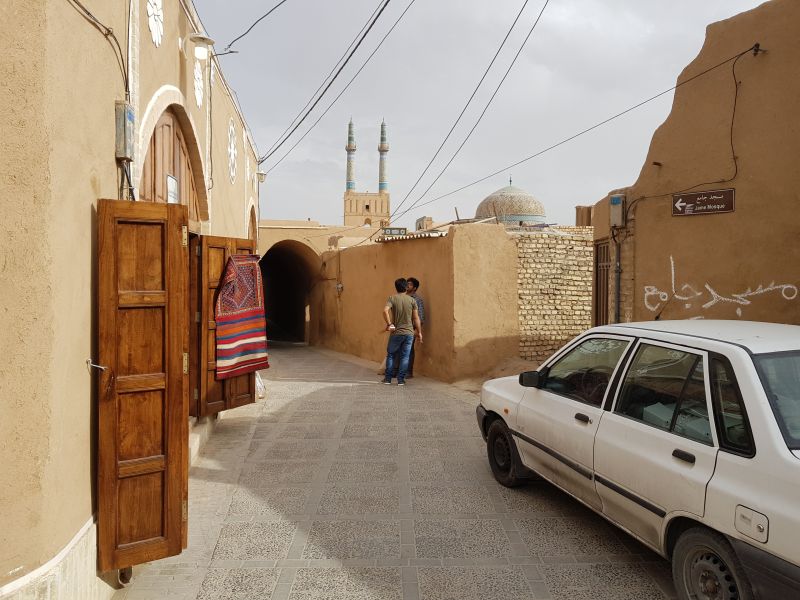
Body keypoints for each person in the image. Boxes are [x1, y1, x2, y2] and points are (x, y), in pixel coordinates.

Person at [382, 278, 422, 385]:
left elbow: (385, 311)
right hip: (409, 333)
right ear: (405, 287)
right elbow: (416, 318)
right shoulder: (412, 300)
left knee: (391, 355)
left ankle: (388, 379)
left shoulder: (392, 298)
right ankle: (401, 380)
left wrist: (390, 324)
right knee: (405, 356)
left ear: (396, 287)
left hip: (396, 332)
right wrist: (419, 332)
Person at [392, 277, 424, 378]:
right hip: (398, 328)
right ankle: (395, 371)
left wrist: (416, 330)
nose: (407, 285)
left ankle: (408, 372)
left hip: (410, 329)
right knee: (396, 349)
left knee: (408, 351)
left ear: (414, 288)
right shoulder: (401, 297)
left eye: (409, 284)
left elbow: (421, 317)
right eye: (406, 283)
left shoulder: (417, 300)